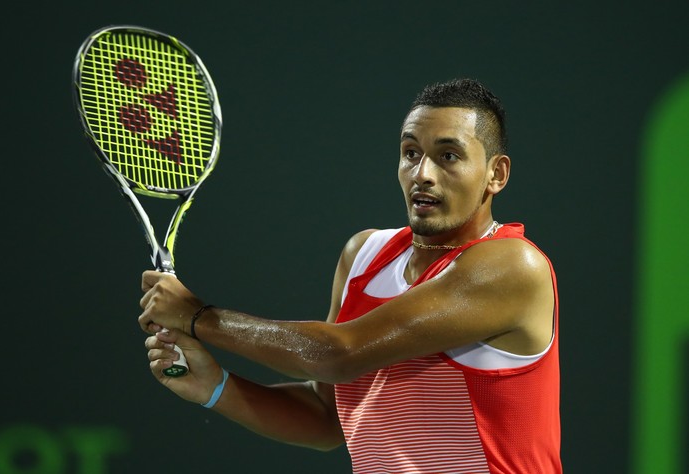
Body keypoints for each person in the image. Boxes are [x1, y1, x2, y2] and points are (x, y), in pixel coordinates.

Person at [139, 78, 562, 473]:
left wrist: (197, 316)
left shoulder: (511, 267)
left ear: (496, 174)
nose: (422, 175)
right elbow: (328, 420)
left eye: (448, 156)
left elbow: (339, 355)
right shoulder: (364, 255)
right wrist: (216, 386)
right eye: (411, 153)